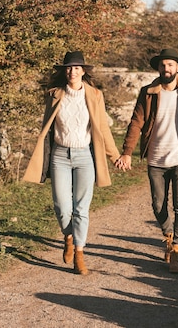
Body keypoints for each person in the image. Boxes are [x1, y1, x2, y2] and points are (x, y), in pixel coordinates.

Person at [23, 51, 120, 275]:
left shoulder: (95, 95)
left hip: (85, 155)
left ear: (83, 71)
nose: (72, 71)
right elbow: (47, 127)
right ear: (64, 71)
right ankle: (68, 236)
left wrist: (113, 155)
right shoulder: (54, 94)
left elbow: (102, 128)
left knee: (81, 208)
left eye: (77, 68)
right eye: (68, 68)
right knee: (62, 206)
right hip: (59, 155)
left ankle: (79, 252)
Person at [115, 48, 178, 274]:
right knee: (158, 205)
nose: (166, 68)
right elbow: (136, 122)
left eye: (170, 65)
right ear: (158, 68)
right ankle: (169, 235)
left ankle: (177, 250)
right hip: (156, 158)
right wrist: (127, 151)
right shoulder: (148, 92)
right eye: (162, 65)